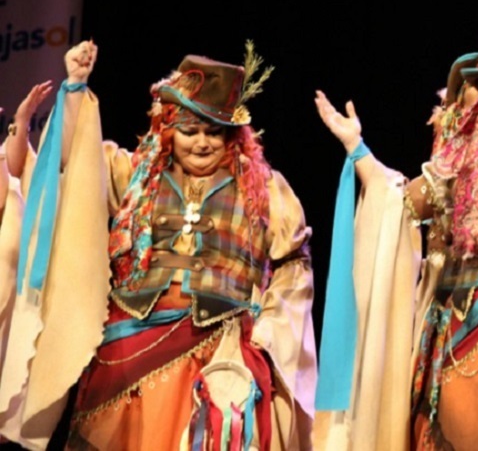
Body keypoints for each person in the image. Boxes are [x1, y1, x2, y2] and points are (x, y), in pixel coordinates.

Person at [5, 40, 318, 450]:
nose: (202, 143)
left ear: (233, 136)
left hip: (219, 349)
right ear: (169, 129)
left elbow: (294, 263)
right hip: (128, 346)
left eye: (214, 133)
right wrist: (76, 87)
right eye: (190, 131)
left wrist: (270, 331)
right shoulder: (137, 174)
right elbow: (77, 163)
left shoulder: (264, 189)